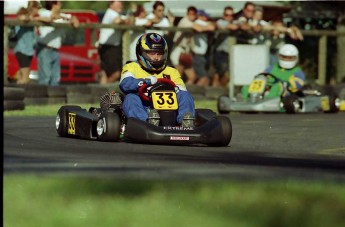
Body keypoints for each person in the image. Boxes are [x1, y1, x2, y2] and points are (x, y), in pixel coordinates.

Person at [119, 33, 195, 128]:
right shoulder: (132, 67)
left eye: (159, 53)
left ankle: (185, 121)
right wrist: (144, 82)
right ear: (141, 53)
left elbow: (182, 89)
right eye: (151, 53)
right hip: (144, 107)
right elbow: (125, 83)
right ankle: (146, 122)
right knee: (131, 97)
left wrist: (174, 89)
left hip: (170, 109)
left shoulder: (171, 71)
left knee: (185, 95)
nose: (156, 57)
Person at [36, 0, 79, 86]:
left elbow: (76, 22)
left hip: (55, 50)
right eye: (59, 3)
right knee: (45, 78)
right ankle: (42, 99)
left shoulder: (62, 16)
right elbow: (52, 17)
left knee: (56, 78)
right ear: (53, 4)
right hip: (45, 49)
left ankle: (54, 99)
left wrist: (71, 19)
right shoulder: (43, 12)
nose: (61, 5)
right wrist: (66, 18)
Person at [241, 44, 306, 99]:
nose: (286, 59)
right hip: (267, 88)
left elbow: (295, 86)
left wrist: (284, 84)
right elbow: (263, 75)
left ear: (296, 58)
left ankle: (265, 101)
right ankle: (246, 101)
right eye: (284, 57)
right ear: (279, 56)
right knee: (246, 88)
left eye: (289, 58)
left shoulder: (298, 72)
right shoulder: (272, 68)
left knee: (277, 87)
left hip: (286, 93)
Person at [98, 1, 132, 84]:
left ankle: (102, 94)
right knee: (116, 73)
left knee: (106, 73)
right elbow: (117, 21)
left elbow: (129, 21)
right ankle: (105, 92)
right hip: (109, 47)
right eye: (118, 3)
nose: (121, 5)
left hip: (110, 47)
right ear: (111, 4)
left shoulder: (114, 14)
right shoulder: (111, 13)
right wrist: (125, 21)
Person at [13, 1, 41, 84]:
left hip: (29, 50)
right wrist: (30, 13)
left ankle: (17, 91)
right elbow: (23, 18)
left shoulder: (33, 17)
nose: (38, 11)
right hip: (22, 49)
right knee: (25, 78)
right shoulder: (23, 13)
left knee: (23, 74)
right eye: (37, 8)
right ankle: (19, 93)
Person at [211, 6, 239, 87]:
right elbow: (231, 26)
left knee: (227, 75)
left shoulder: (234, 22)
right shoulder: (220, 22)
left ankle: (220, 90)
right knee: (217, 74)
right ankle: (213, 92)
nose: (229, 17)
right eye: (227, 15)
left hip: (230, 53)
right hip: (220, 52)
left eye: (231, 15)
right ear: (223, 15)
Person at [170, 6, 198, 85]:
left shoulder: (193, 22)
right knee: (178, 75)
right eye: (190, 13)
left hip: (185, 51)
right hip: (178, 49)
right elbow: (198, 28)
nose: (191, 15)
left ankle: (185, 93)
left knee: (192, 77)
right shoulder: (184, 21)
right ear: (187, 14)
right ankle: (174, 93)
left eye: (193, 14)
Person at [191, 9, 216, 87]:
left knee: (203, 78)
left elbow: (212, 27)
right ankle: (192, 94)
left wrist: (205, 27)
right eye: (205, 16)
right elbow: (198, 28)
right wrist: (206, 27)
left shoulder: (205, 23)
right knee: (203, 77)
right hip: (197, 54)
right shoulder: (197, 22)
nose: (206, 18)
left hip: (203, 54)